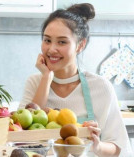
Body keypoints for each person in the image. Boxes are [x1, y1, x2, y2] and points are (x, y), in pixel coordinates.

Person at [20, 3, 133, 157]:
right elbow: (23, 136)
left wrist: (97, 146)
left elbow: (118, 147)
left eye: (62, 42)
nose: (52, 49)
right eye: (47, 40)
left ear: (80, 45)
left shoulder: (101, 86)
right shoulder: (34, 82)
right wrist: (46, 77)